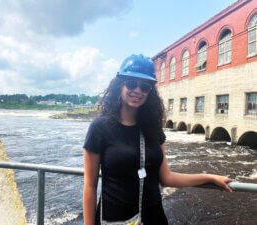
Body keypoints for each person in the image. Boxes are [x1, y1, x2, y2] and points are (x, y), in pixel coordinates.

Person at [83, 54, 232, 225]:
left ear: (150, 92)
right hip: (115, 218)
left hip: (153, 217)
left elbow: (166, 178)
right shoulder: (99, 128)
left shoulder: (152, 128)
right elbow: (90, 187)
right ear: (120, 85)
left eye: (145, 87)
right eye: (131, 83)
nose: (137, 90)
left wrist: (210, 178)